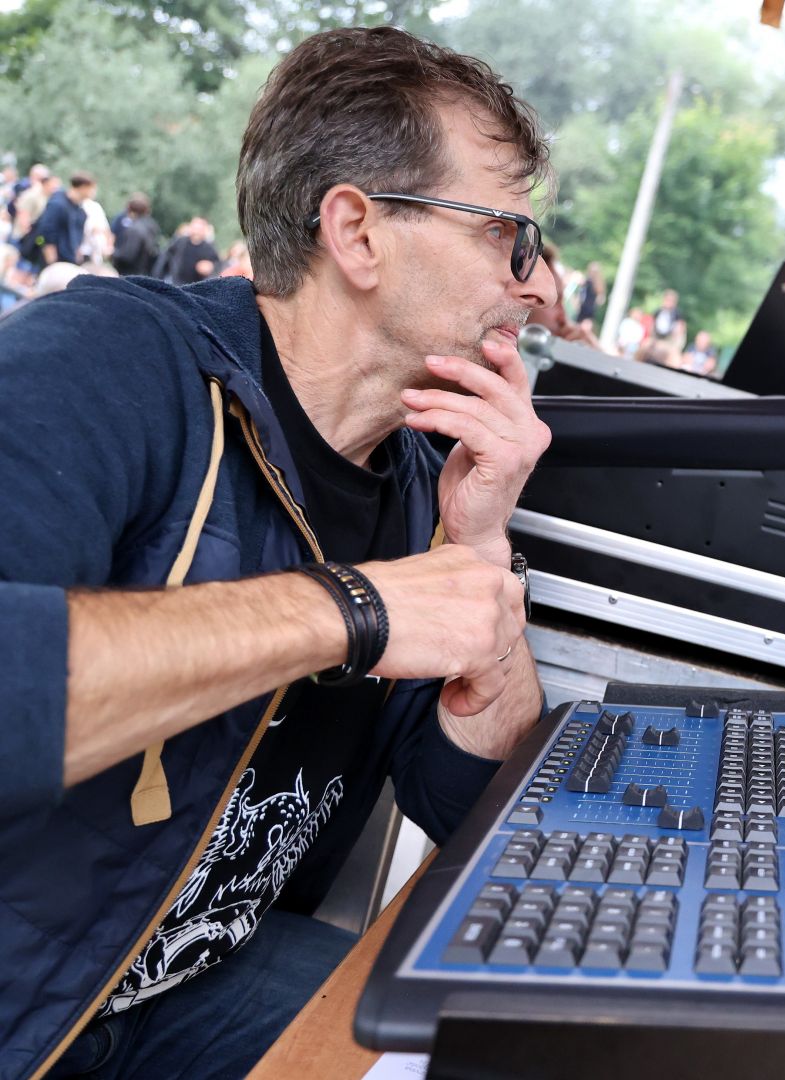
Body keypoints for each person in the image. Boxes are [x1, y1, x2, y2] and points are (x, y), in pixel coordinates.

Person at [0, 27, 555, 1079]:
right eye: (506, 234)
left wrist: (483, 546)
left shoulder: (416, 485)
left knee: (498, 1052)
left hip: (190, 982)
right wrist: (348, 610)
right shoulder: (111, 363)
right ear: (357, 233)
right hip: (28, 995)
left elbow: (469, 810)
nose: (533, 286)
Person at [28, 171, 97, 266]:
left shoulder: (79, 210)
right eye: (92, 188)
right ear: (83, 187)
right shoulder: (58, 204)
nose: (94, 192)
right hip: (55, 260)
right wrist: (50, 258)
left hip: (69, 259)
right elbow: (45, 232)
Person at [153, 216, 222, 284]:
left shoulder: (209, 248)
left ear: (204, 229)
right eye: (195, 226)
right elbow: (165, 256)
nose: (196, 230)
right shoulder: (181, 241)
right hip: (176, 281)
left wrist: (211, 267)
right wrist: (157, 276)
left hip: (196, 285)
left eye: (199, 227)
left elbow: (218, 264)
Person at [110, 193, 163, 277]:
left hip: (131, 275)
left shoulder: (135, 230)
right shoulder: (152, 226)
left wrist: (112, 253)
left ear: (130, 211)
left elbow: (127, 256)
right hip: (146, 273)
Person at [574, 260, 604, 329]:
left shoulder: (589, 281)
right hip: (589, 309)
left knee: (580, 327)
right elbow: (600, 300)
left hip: (585, 308)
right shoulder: (598, 284)